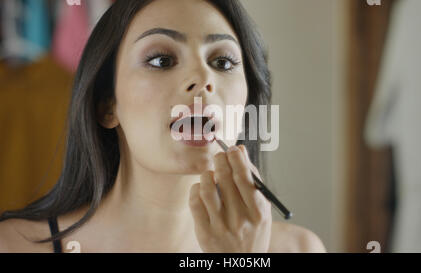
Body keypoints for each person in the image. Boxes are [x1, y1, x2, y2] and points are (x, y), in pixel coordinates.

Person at [0, 0, 325, 253]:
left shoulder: (299, 248)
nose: (202, 79)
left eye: (222, 62)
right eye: (161, 60)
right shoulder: (13, 246)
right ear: (107, 105)